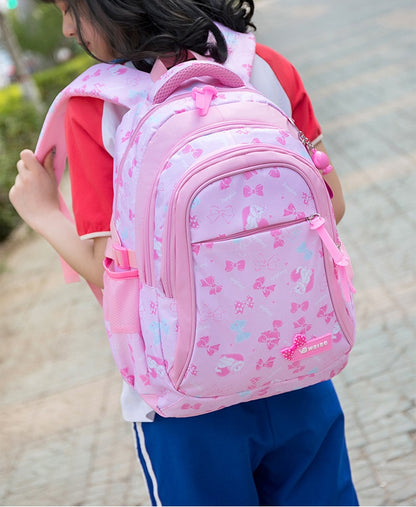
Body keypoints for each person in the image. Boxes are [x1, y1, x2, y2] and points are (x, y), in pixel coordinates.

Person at [9, 0, 358, 505]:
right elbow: (332, 203)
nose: (67, 27)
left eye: (71, 9)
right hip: (297, 362)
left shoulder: (97, 105)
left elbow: (116, 273)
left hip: (183, 396)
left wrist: (41, 212)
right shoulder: (263, 66)